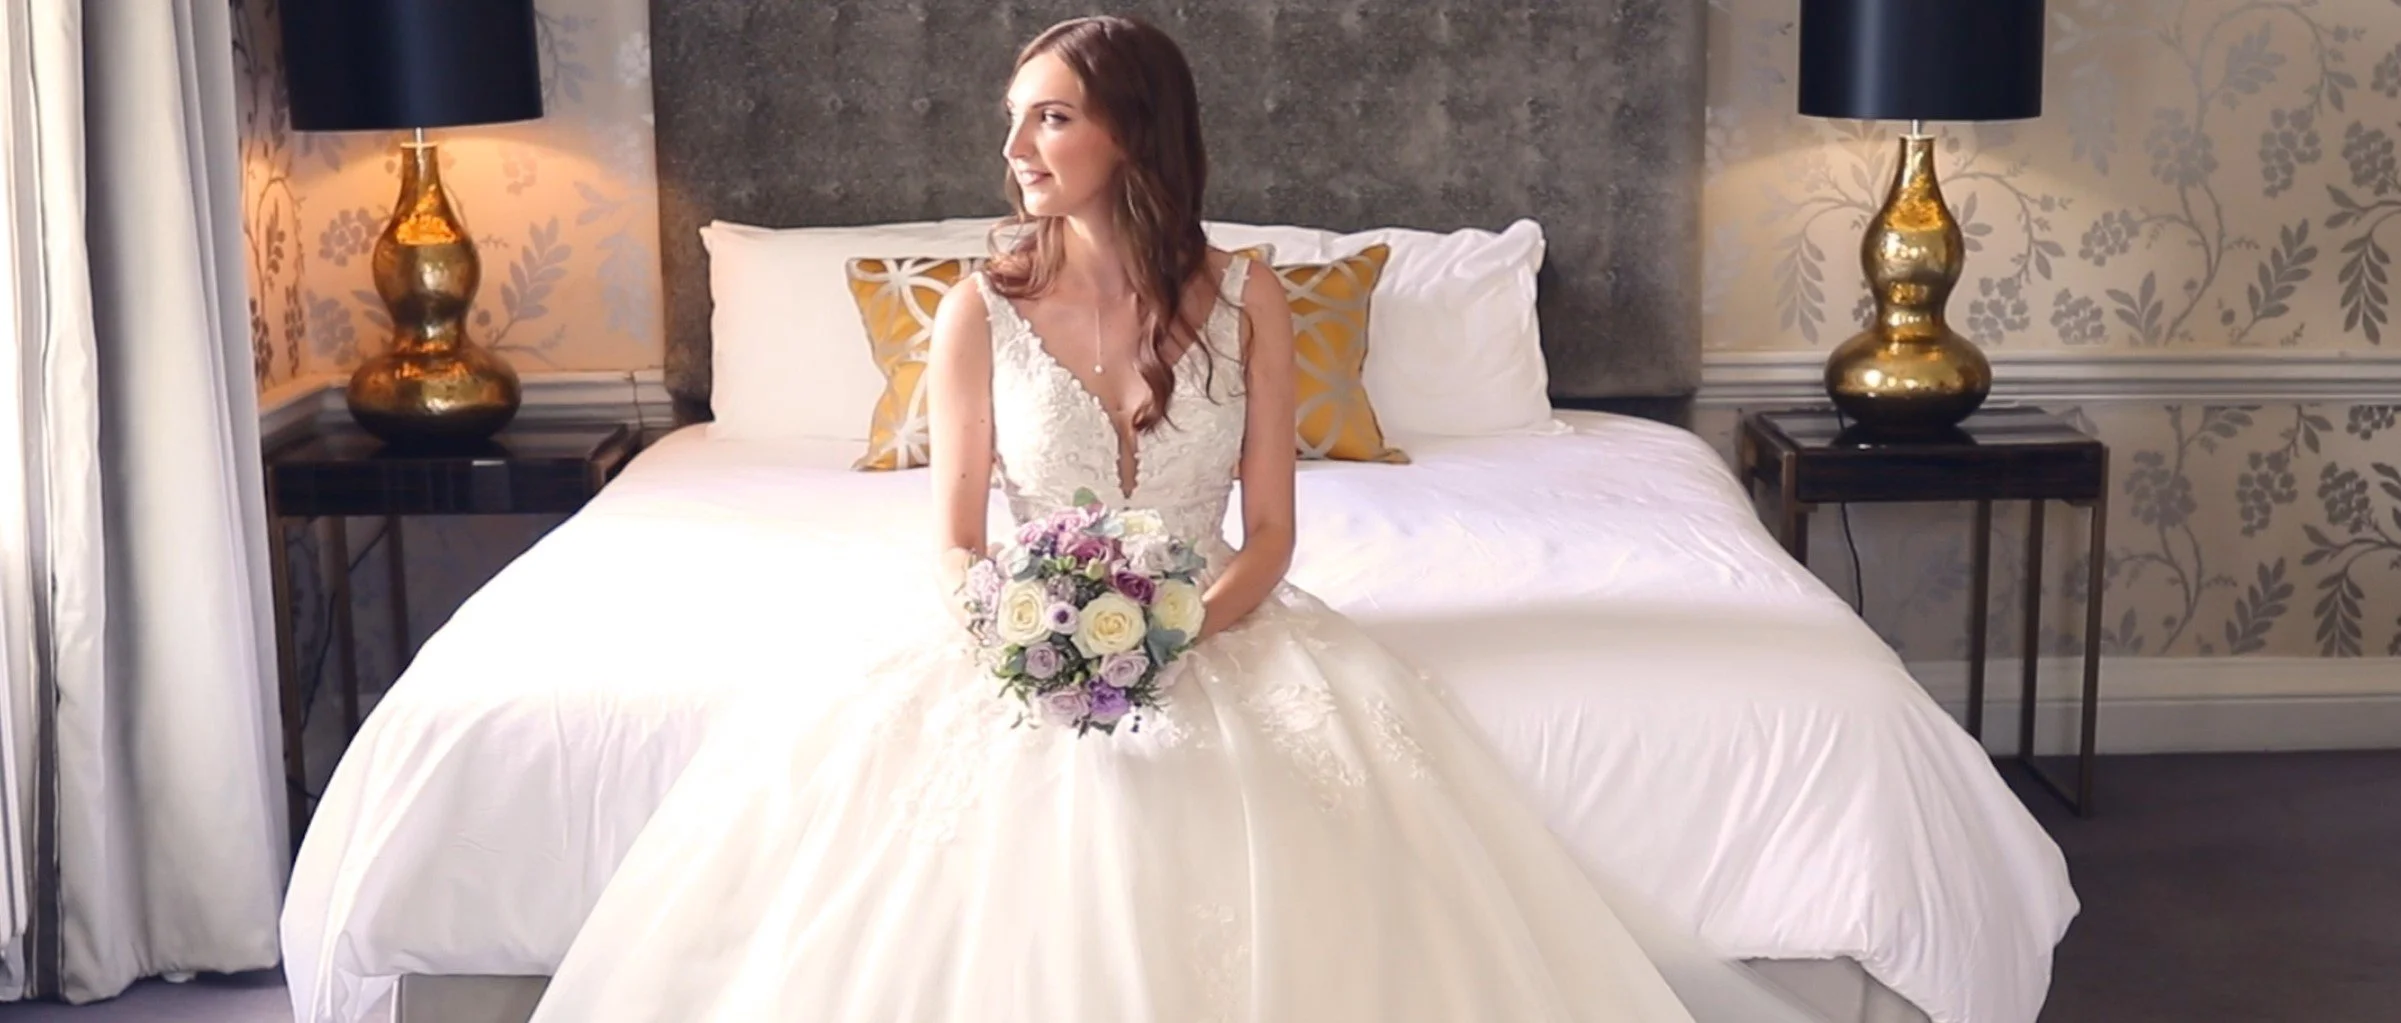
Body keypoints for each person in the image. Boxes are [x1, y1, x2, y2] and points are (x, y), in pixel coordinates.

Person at [526, 16, 1826, 1022]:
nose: (1017, 149)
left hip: (1223, 620)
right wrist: (1029, 644)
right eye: (1013, 122)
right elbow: (956, 535)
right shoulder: (977, 308)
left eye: (1050, 119)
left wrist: (1170, 633)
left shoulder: (1253, 295)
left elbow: (1272, 531)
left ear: (1132, 133)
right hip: (1020, 635)